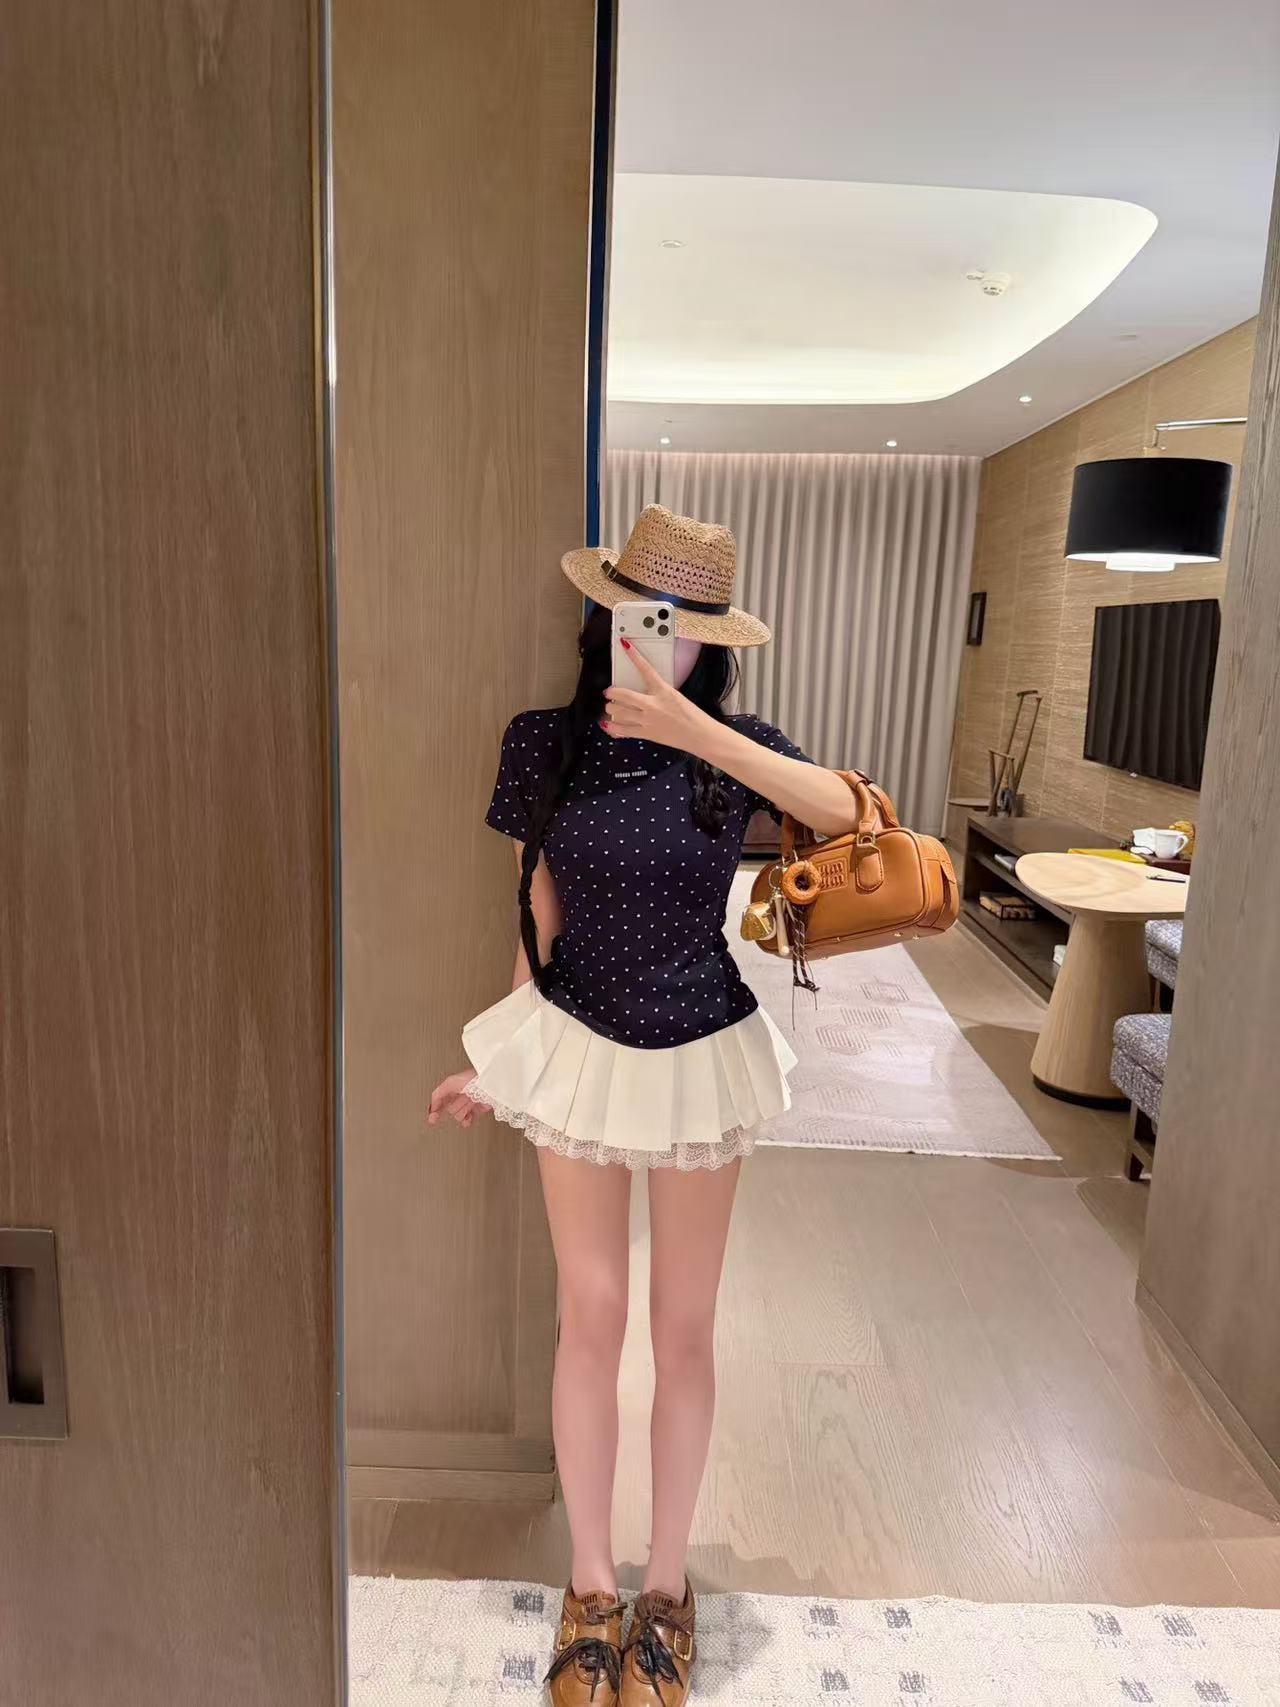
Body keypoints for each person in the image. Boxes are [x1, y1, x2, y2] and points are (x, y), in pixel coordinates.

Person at [428, 506, 857, 1707]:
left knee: (681, 1326)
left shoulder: (735, 748)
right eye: (637, 614)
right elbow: (535, 912)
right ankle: (590, 1588)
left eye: (681, 625)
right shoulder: (542, 742)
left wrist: (693, 729)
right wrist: (502, 1062)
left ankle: (666, 1591)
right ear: (604, 613)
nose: (655, 638)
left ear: (713, 639)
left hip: (702, 1043)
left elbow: (843, 814)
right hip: (577, 1037)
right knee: (592, 1312)